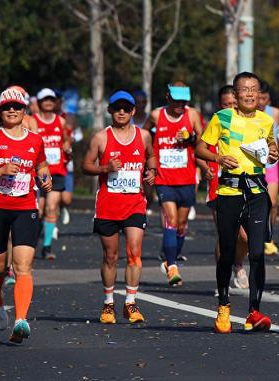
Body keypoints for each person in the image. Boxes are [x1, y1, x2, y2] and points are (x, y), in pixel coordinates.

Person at [196, 71, 279, 334]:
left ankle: (254, 311)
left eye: (254, 89)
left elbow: (270, 152)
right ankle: (223, 305)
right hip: (229, 191)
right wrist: (218, 159)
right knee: (228, 251)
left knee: (257, 252)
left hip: (256, 191)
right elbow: (200, 148)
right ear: (235, 93)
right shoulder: (221, 118)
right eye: (244, 89)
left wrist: (274, 154)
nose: (250, 94)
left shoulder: (266, 121)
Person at [0, 87, 52, 344]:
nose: (12, 111)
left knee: (23, 266)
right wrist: (0, 170)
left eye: (17, 106)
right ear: (1, 111)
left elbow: (42, 165)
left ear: (25, 110)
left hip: (25, 207)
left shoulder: (35, 140)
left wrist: (46, 179)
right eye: (7, 107)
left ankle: (21, 320)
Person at [82, 90, 156, 324]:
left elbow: (151, 157)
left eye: (126, 108)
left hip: (134, 202)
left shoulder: (143, 136)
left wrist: (151, 171)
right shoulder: (101, 138)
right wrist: (105, 168)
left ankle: (131, 303)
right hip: (108, 205)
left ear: (133, 111)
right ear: (110, 110)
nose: (122, 112)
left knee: (135, 252)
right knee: (110, 256)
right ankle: (108, 304)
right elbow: (86, 165)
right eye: (117, 108)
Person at [143, 83, 204, 286]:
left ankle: (171, 259)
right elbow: (143, 138)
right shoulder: (155, 115)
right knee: (170, 219)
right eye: (177, 100)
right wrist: (147, 164)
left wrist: (190, 137)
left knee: (181, 224)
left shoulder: (193, 115)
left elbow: (203, 143)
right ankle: (172, 266)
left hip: (186, 177)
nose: (180, 104)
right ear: (168, 97)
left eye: (183, 100)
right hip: (164, 177)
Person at [208, 85, 249, 289]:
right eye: (226, 104)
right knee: (224, 234)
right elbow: (201, 149)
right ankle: (221, 281)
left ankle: (237, 262)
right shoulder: (217, 122)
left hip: (244, 185)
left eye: (234, 103)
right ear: (219, 105)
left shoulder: (248, 123)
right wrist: (206, 166)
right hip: (219, 185)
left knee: (245, 236)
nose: (231, 107)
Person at [28, 88, 71, 260]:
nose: (48, 102)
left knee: (52, 208)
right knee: (39, 210)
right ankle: (34, 238)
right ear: (38, 102)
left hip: (57, 171)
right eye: (45, 100)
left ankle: (46, 246)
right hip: (38, 171)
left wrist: (67, 146)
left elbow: (67, 139)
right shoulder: (33, 121)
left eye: (51, 100)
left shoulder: (60, 122)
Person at [257, 81, 279, 255]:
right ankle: (252, 236)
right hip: (252, 164)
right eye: (259, 97)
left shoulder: (274, 113)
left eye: (265, 98)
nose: (262, 102)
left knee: (273, 203)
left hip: (270, 164)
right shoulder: (247, 114)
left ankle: (268, 237)